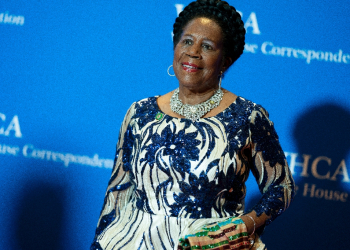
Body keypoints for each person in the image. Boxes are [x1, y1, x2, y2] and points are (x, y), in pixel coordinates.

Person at [91, 1, 295, 249]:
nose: (193, 52)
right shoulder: (139, 112)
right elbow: (118, 193)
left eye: (207, 46)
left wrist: (243, 227)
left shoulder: (248, 117)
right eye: (187, 41)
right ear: (175, 46)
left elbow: (281, 187)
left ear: (226, 61)